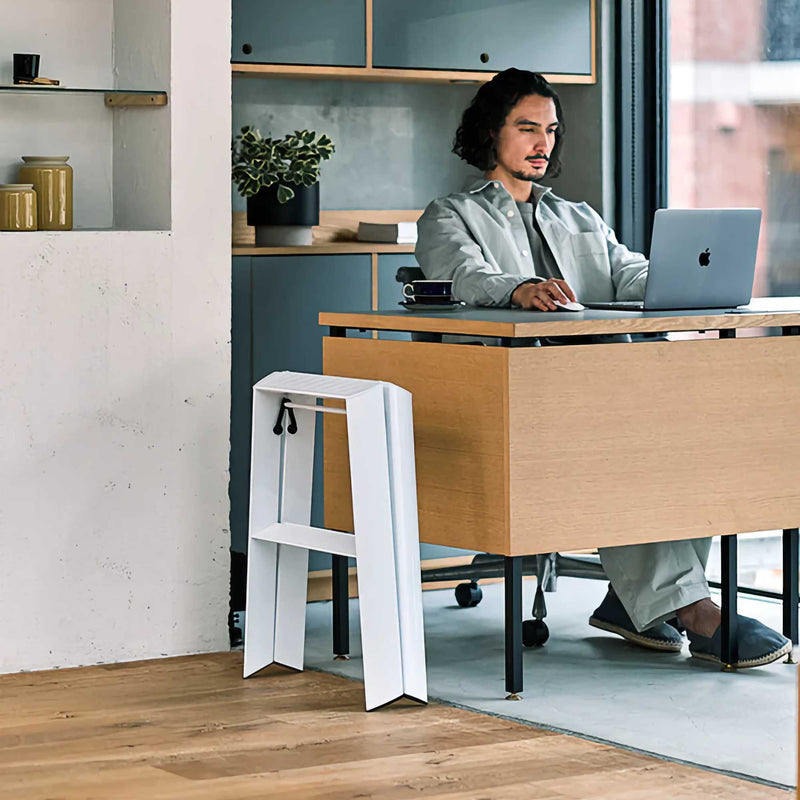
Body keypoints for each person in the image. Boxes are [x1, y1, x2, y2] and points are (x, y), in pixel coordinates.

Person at [415, 68, 790, 668]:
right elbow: (463, 274)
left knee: (689, 434)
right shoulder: (450, 214)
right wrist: (518, 288)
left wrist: (675, 280)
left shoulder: (578, 216)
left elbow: (627, 270)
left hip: (603, 384)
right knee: (628, 440)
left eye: (552, 131)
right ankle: (693, 609)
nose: (543, 144)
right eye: (527, 128)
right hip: (521, 397)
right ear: (492, 132)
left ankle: (635, 600)